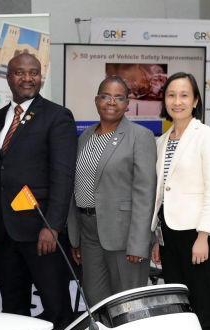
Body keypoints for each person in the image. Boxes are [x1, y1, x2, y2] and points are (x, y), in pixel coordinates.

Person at [0, 53, 77, 330]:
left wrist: (52, 226)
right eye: (20, 73)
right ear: (8, 78)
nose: (27, 78)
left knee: (56, 308)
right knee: (13, 312)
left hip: (42, 234)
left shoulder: (57, 116)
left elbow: (63, 177)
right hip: (4, 234)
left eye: (34, 73)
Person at [150, 72, 210, 330]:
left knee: (204, 305)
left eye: (184, 95)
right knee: (179, 306)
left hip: (198, 234)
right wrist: (156, 236)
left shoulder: (208, 136)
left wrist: (203, 236)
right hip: (169, 235)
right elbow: (161, 193)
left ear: (195, 101)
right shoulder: (162, 141)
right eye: (171, 95)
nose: (177, 101)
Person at [68, 76, 156, 305]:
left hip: (124, 237)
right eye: (105, 96)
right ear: (96, 100)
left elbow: (145, 193)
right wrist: (75, 237)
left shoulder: (140, 136)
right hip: (89, 233)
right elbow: (76, 185)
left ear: (127, 104)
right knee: (96, 302)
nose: (111, 102)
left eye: (119, 98)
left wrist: (138, 243)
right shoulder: (85, 136)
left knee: (127, 304)